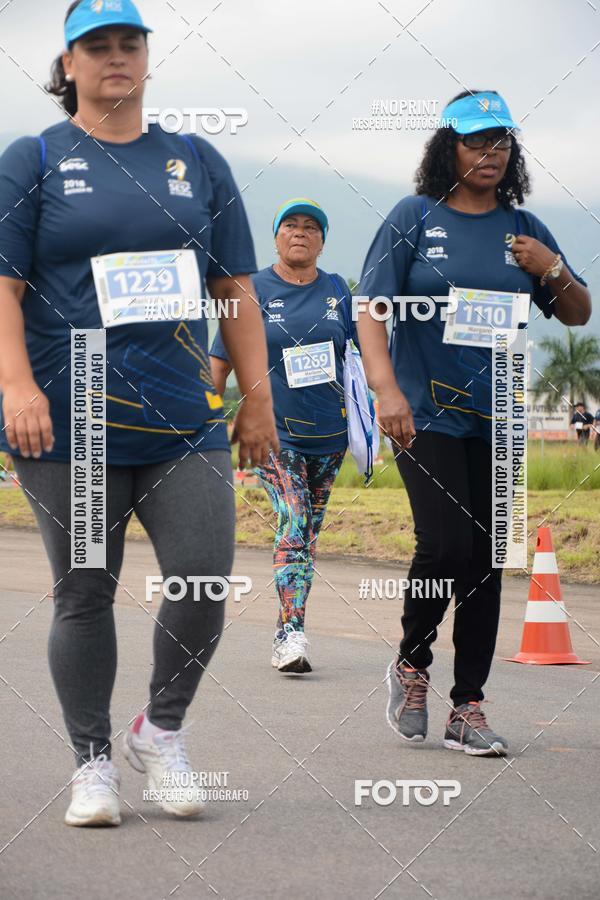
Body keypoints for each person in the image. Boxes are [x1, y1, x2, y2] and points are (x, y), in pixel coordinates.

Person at [0, 0, 278, 826]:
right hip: (70, 419)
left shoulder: (196, 160)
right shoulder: (36, 159)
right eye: (97, 46)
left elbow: (235, 291)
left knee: (201, 581)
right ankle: (92, 764)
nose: (115, 56)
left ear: (147, 58)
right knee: (85, 591)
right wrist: (15, 386)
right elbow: (3, 288)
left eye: (130, 42)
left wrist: (256, 397)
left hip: (181, 415)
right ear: (69, 65)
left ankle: (159, 731)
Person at [358, 90, 591, 756]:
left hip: (501, 421)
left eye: (501, 142)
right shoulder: (413, 218)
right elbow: (371, 308)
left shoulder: (524, 231)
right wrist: (385, 389)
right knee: (444, 548)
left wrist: (554, 269)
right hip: (423, 413)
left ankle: (468, 707)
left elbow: (576, 312)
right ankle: (411, 664)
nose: (490, 153)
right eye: (476, 141)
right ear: (448, 148)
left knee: (489, 562)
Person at [210, 198, 354, 674]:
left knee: (306, 535)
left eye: (312, 226)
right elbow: (219, 361)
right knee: (294, 521)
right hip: (273, 434)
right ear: (275, 236)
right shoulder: (251, 289)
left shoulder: (338, 290)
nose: (300, 232)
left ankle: (289, 624)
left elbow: (363, 356)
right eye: (290, 224)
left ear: (322, 240)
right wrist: (203, 423)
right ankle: (289, 636)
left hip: (330, 437)